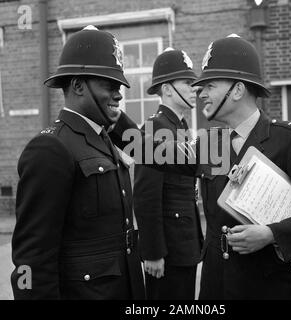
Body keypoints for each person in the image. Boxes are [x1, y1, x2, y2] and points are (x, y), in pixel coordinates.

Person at [115, 34, 291, 300]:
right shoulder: (213, 145)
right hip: (220, 287)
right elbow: (153, 152)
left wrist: (272, 233)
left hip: (278, 288)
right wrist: (111, 115)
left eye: (210, 85)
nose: (201, 92)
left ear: (237, 90)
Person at [11, 26, 145, 300]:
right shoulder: (51, 148)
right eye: (109, 85)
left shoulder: (104, 138)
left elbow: (149, 151)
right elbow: (31, 259)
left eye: (119, 86)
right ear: (78, 85)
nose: (119, 94)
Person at [133, 48, 203, 300]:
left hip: (183, 243)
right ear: (167, 89)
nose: (194, 89)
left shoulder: (178, 126)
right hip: (168, 250)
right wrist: (153, 251)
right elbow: (145, 195)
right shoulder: (156, 128)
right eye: (187, 83)